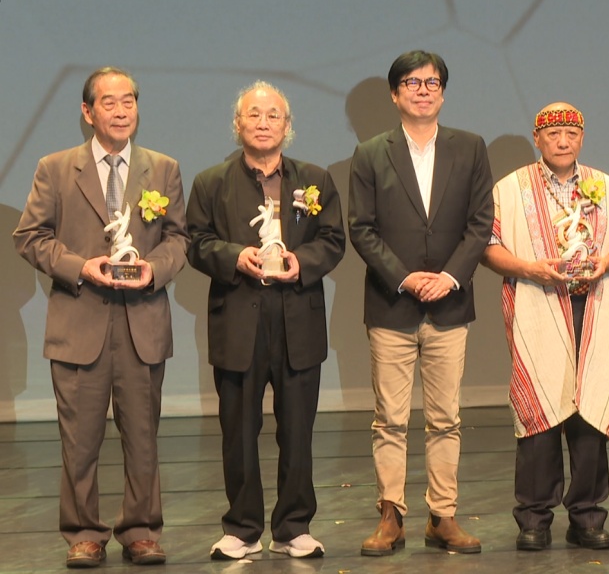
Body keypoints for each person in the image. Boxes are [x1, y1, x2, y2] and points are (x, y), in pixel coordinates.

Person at [12, 67, 187, 567]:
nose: (121, 110)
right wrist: (79, 266)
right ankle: (84, 533)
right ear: (88, 112)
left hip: (142, 323)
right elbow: (30, 236)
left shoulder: (163, 168)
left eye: (129, 101)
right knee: (79, 440)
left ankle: (141, 531)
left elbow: (179, 239)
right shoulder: (55, 168)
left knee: (143, 437)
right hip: (79, 321)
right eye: (109, 102)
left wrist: (153, 270)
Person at [186, 81, 345, 560]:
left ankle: (293, 527)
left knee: (297, 431)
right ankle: (242, 528)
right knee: (238, 431)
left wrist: (303, 261)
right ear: (238, 124)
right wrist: (234, 256)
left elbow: (333, 239)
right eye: (253, 114)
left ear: (287, 125)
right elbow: (195, 242)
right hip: (238, 320)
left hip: (298, 320)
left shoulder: (314, 179)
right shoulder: (212, 182)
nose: (263, 122)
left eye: (273, 115)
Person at [348, 50, 493, 556]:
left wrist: (449, 277)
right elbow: (361, 229)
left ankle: (442, 516)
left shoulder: (470, 148)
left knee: (446, 417)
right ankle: (390, 515)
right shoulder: (371, 153)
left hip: (450, 304)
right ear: (395, 94)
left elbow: (481, 222)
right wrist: (406, 277)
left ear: (443, 93)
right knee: (389, 418)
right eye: (412, 82)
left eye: (432, 82)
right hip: (391, 305)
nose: (423, 90)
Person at [482, 102, 609, 551]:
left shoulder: (604, 185)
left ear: (582, 137)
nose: (563, 141)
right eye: (553, 134)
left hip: (594, 308)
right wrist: (530, 268)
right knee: (539, 410)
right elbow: (489, 247)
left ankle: (587, 517)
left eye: (571, 133)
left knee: (590, 410)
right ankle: (534, 518)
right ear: (538, 138)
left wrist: (605, 263)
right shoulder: (510, 188)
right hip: (537, 305)